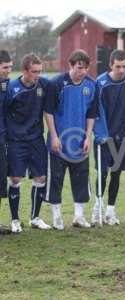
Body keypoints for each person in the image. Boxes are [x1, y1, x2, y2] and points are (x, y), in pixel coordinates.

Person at [44, 49, 97, 230]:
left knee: (81, 179)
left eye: (85, 68)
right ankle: (57, 217)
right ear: (70, 66)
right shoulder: (57, 83)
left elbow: (91, 113)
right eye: (78, 68)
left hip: (79, 142)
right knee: (56, 180)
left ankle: (79, 216)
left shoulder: (91, 85)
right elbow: (48, 112)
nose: (81, 72)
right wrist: (53, 136)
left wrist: (88, 137)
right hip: (59, 142)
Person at [91, 49, 125, 226]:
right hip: (104, 136)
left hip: (124, 136)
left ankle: (111, 210)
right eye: (118, 66)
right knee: (103, 172)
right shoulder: (101, 82)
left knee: (116, 173)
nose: (121, 70)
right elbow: (96, 110)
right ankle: (97, 206)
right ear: (110, 65)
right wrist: (101, 133)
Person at [5, 53, 51, 233]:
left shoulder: (43, 85)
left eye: (40, 71)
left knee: (41, 178)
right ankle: (15, 219)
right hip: (16, 140)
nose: (37, 75)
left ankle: (35, 217)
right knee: (15, 178)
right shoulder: (11, 88)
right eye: (34, 71)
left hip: (36, 139)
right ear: (25, 70)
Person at [0, 50, 12, 235]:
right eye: (5, 67)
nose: (9, 70)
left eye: (10, 67)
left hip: (2, 139)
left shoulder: (9, 85)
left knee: (1, 182)